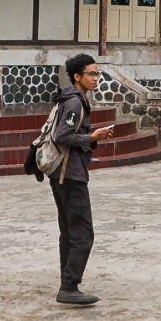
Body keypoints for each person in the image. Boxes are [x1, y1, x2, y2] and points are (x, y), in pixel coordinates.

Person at [50, 53, 116, 306]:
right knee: (82, 233)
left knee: (68, 232)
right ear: (77, 77)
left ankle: (67, 280)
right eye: (91, 74)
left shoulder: (71, 99)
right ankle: (69, 286)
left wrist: (93, 135)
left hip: (63, 173)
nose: (96, 78)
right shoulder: (75, 103)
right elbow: (62, 136)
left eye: (97, 73)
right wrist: (91, 137)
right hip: (70, 173)